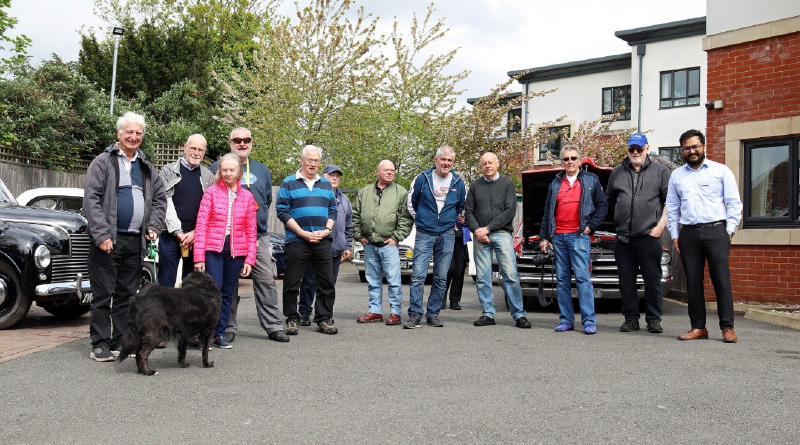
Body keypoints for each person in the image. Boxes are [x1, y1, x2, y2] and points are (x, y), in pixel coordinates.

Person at [83, 111, 167, 361]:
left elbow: (160, 199)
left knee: (127, 296)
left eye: (138, 133)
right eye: (129, 132)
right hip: (108, 241)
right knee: (102, 295)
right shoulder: (103, 162)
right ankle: (99, 344)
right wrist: (101, 235)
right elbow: (91, 200)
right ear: (119, 133)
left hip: (135, 242)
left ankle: (119, 341)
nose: (133, 137)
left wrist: (153, 225)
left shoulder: (146, 166)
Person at [211, 128, 289, 343]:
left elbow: (266, 201)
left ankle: (273, 326)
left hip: (259, 236)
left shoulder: (262, 170)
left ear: (251, 142)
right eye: (237, 140)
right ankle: (227, 327)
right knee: (229, 284)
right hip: (229, 237)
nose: (242, 144)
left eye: (246, 140)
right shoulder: (217, 168)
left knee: (266, 281)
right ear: (230, 142)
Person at [666, 129, 742, 343]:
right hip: (688, 233)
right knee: (693, 282)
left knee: (721, 280)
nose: (692, 151)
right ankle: (698, 327)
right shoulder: (676, 176)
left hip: (716, 230)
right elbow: (672, 207)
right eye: (687, 148)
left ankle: (727, 328)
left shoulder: (720, 171)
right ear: (682, 150)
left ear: (703, 147)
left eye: (695, 146)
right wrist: (674, 234)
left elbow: (734, 203)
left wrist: (730, 231)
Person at [606, 133, 671, 334]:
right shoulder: (617, 172)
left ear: (646, 148)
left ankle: (653, 319)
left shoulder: (661, 171)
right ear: (627, 149)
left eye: (639, 149)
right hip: (624, 238)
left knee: (652, 281)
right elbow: (609, 201)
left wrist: (660, 227)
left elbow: (671, 202)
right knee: (626, 282)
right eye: (632, 149)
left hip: (649, 236)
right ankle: (631, 319)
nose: (635, 152)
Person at [539, 145, 608, 335]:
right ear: (561, 162)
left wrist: (590, 227)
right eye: (566, 159)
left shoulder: (590, 180)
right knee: (561, 281)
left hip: (579, 236)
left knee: (583, 279)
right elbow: (547, 213)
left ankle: (588, 322)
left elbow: (602, 206)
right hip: (558, 237)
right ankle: (566, 320)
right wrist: (544, 237)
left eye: (573, 158)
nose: (570, 162)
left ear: (580, 160)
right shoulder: (555, 183)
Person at [194, 153, 257, 349]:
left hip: (236, 251)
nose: (228, 173)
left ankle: (219, 334)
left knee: (228, 293)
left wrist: (249, 260)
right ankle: (204, 334)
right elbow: (201, 225)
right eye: (225, 170)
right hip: (213, 250)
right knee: (212, 292)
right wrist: (199, 257)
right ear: (220, 171)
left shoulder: (247, 197)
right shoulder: (211, 193)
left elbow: (251, 230)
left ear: (239, 172)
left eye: (232, 170)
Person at [276, 145, 339, 335]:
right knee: (292, 282)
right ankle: (292, 318)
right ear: (302, 160)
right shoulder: (288, 183)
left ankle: (323, 318)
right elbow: (282, 211)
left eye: (316, 160)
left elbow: (333, 210)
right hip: (297, 239)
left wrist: (327, 230)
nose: (313, 164)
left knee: (326, 282)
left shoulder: (326, 185)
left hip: (322, 240)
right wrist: (302, 232)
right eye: (309, 160)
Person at [466, 152, 532, 328]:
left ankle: (519, 315)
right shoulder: (475, 186)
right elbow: (468, 212)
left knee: (510, 275)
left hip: (502, 233)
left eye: (490, 163)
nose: (487, 166)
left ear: (497, 164)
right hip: (480, 235)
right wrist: (478, 231)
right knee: (482, 277)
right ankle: (488, 313)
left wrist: (487, 228)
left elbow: (510, 211)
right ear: (481, 166)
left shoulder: (507, 184)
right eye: (484, 163)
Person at [405, 145, 466, 329]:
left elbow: (460, 206)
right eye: (443, 159)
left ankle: (433, 313)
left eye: (449, 161)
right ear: (436, 160)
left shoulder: (458, 181)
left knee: (441, 276)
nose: (446, 163)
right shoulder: (422, 178)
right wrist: (424, 220)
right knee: (418, 275)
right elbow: (411, 203)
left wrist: (447, 222)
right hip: (425, 232)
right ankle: (415, 313)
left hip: (447, 233)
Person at [353, 160, 413, 325]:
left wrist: (396, 237)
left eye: (392, 170)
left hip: (389, 245)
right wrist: (359, 236)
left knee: (394, 281)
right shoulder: (364, 192)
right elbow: (356, 215)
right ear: (377, 172)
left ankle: (395, 313)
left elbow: (406, 218)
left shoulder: (401, 192)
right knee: (372, 280)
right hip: (369, 244)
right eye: (386, 170)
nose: (390, 173)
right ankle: (375, 311)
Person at [298, 164, 353, 326]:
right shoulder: (316, 195)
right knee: (309, 282)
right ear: (323, 176)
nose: (335, 178)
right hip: (315, 247)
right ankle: (305, 312)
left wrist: (347, 246)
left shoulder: (345, 200)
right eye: (331, 175)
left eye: (337, 175)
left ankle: (323, 314)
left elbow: (349, 225)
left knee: (329, 284)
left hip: (336, 249)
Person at [157, 134, 214, 288]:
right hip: (170, 234)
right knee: (165, 283)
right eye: (193, 148)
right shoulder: (168, 170)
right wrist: (178, 232)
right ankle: (164, 313)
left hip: (196, 236)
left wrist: (195, 233)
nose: (196, 153)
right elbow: (164, 201)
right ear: (185, 148)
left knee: (192, 285)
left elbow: (210, 208)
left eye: (200, 150)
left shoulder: (208, 175)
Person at [441, 213, 469, 311]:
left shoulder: (467, 202)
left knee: (459, 270)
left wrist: (466, 220)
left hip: (461, 239)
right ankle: (441, 298)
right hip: (447, 236)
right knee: (448, 269)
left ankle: (454, 300)